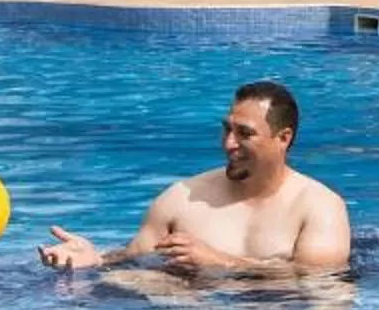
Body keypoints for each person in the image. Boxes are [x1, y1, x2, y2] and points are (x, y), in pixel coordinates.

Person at [38, 81, 352, 278]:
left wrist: (220, 261)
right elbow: (134, 258)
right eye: (227, 129)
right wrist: (96, 259)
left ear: (283, 138)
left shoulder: (318, 206)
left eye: (244, 134)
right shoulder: (181, 198)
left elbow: (321, 283)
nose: (229, 144)